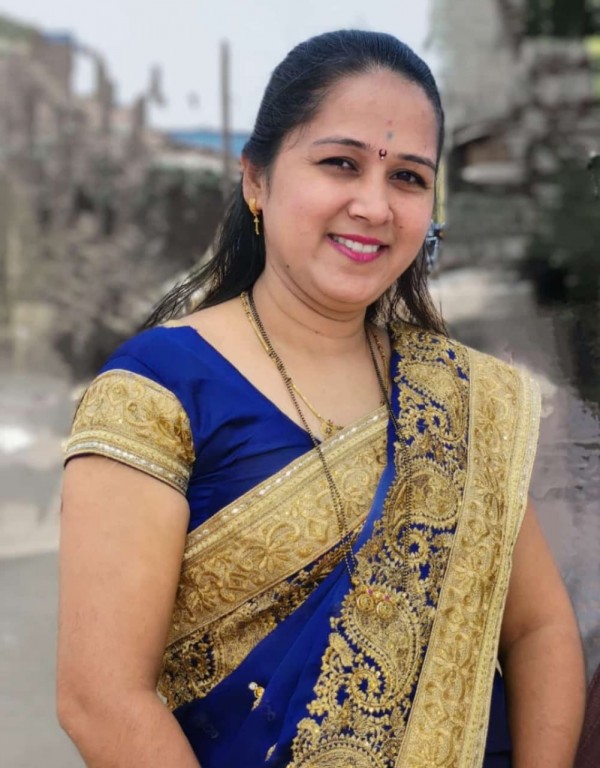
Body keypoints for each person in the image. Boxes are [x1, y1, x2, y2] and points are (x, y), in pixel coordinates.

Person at [57, 29, 586, 768]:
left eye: (408, 177)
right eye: (341, 163)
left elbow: (538, 632)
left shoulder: (462, 397)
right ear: (256, 180)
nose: (374, 205)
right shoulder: (156, 391)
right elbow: (102, 698)